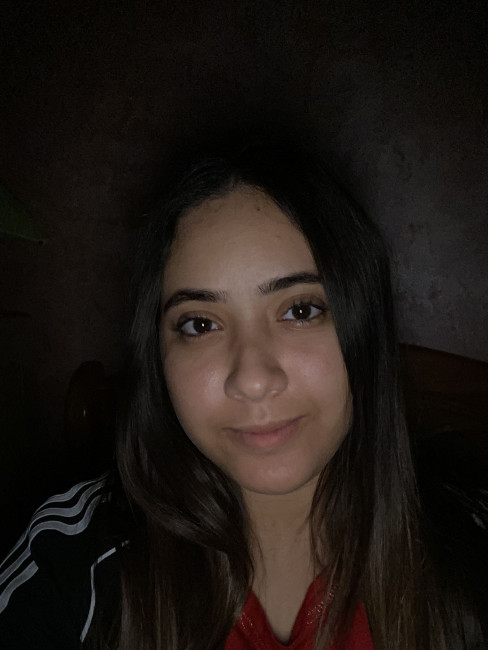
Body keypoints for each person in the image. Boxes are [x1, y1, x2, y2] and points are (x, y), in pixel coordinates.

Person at [0, 134, 486, 650]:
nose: (252, 378)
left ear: (363, 328)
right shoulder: (68, 563)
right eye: (200, 324)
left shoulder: (469, 552)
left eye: (300, 310)